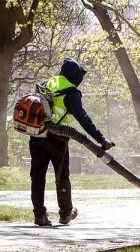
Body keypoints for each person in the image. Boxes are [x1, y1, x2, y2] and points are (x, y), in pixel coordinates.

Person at [30, 58, 114, 226]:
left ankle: (39, 215)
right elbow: (83, 119)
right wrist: (101, 139)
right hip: (57, 139)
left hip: (37, 134)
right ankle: (65, 213)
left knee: (37, 176)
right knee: (62, 176)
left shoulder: (48, 83)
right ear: (75, 75)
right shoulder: (70, 91)